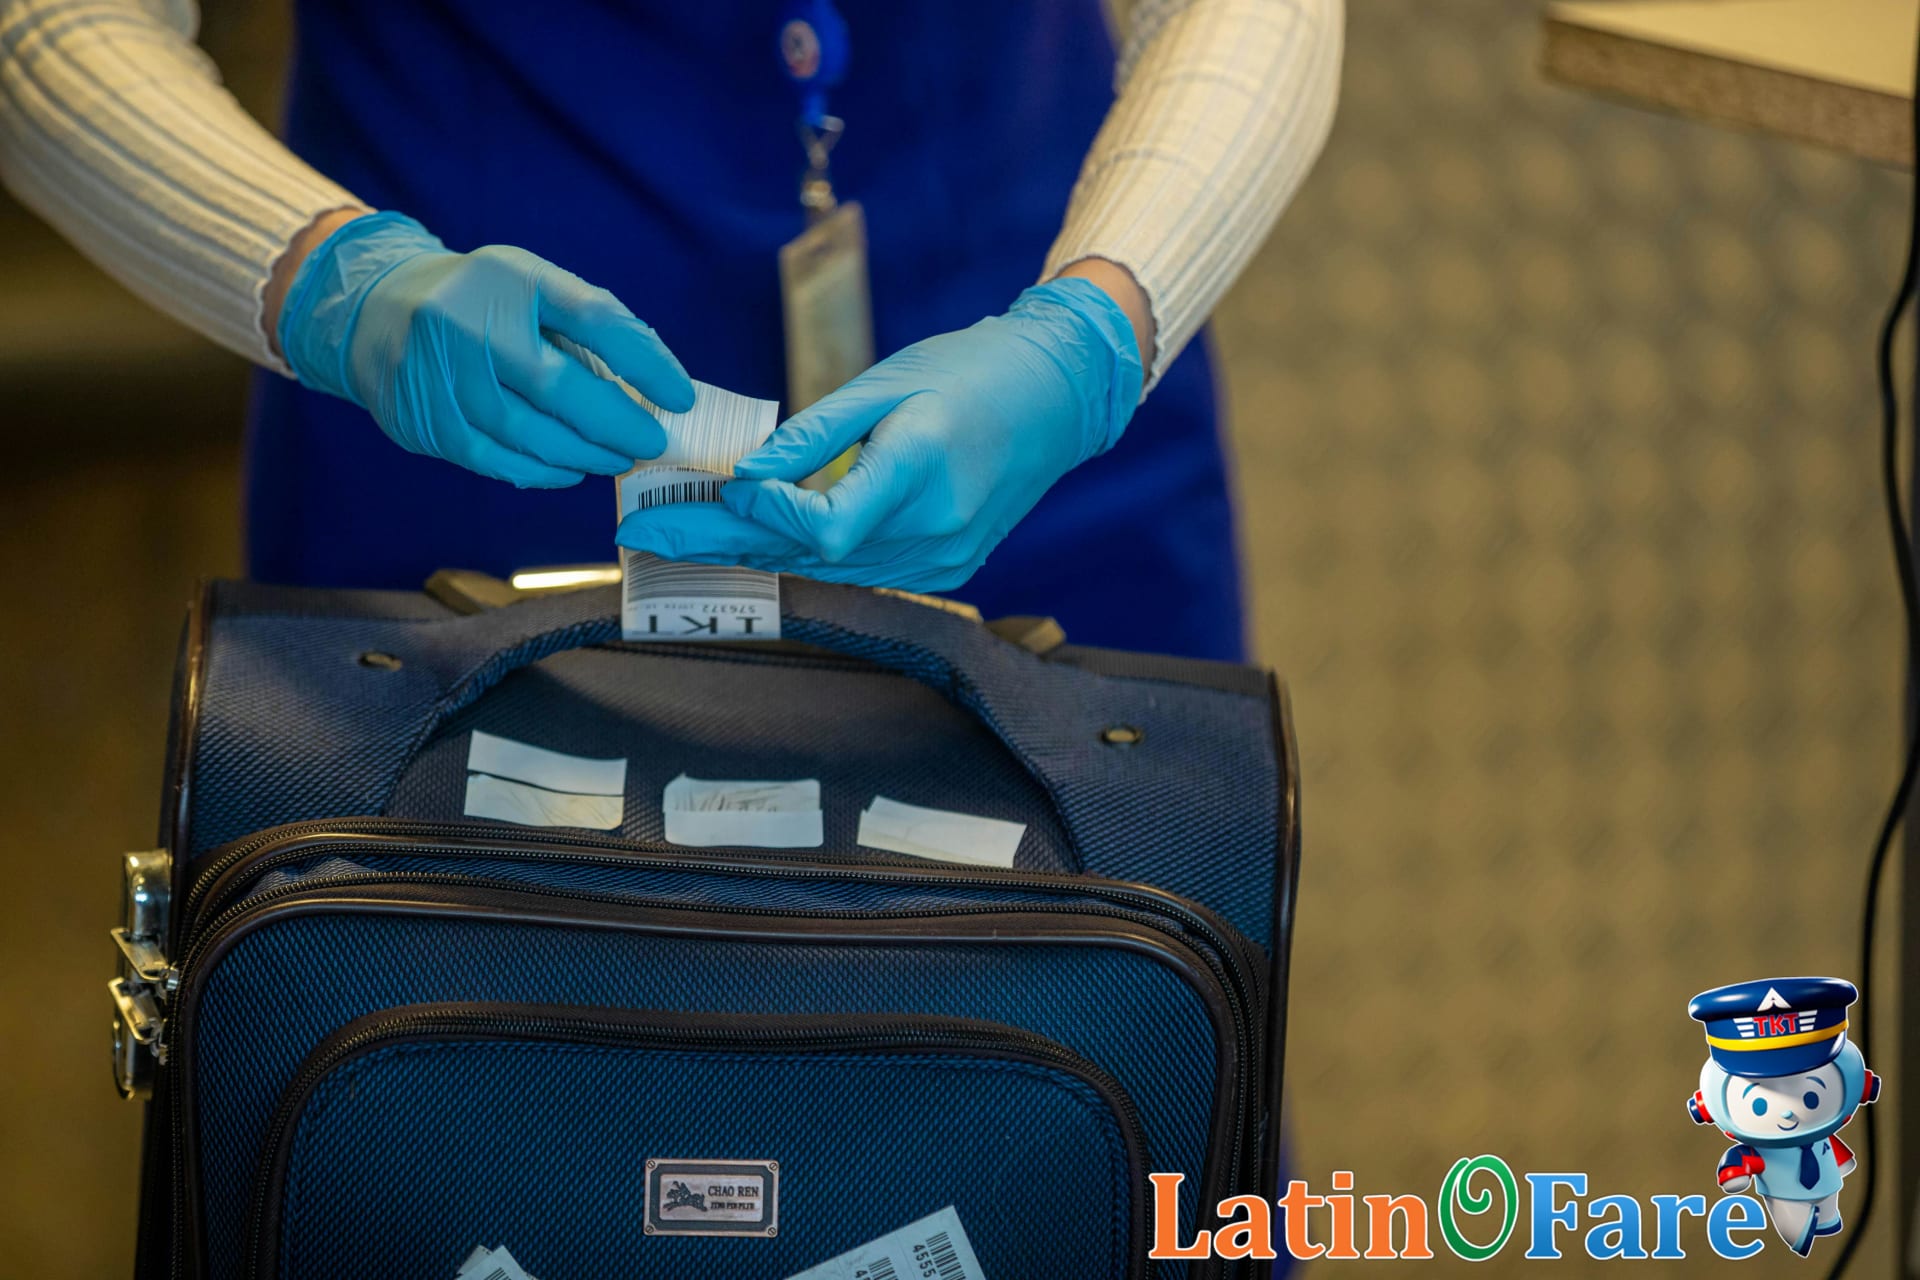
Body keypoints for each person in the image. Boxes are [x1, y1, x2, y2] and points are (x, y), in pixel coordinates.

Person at [0, 0, 1340, 663]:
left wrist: (1095, 331)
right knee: (471, 1126)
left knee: (1098, 1090)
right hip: (474, 441)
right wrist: (327, 283)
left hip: (1041, 413)